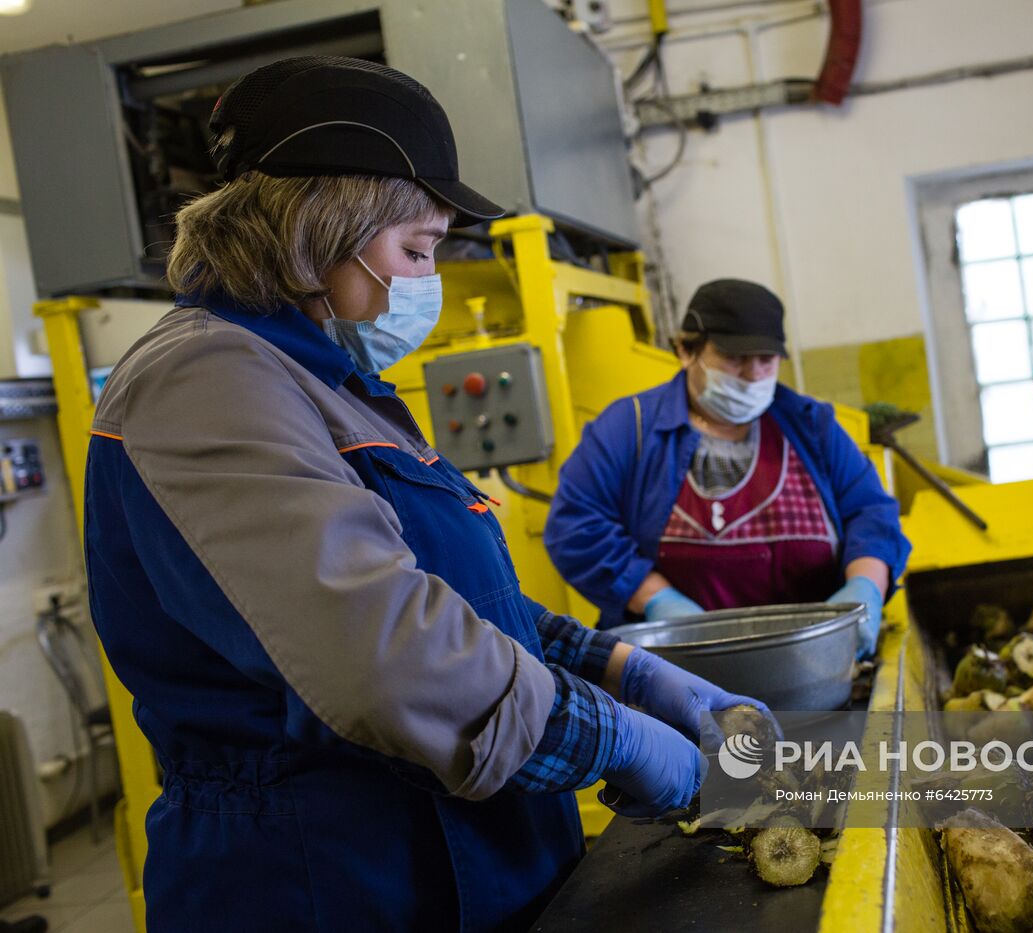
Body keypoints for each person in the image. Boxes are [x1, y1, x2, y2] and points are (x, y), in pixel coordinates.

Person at [83, 57, 762, 933]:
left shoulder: (324, 377)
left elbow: (455, 602)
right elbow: (386, 654)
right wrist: (617, 739)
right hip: (327, 880)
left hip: (457, 856)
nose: (425, 283)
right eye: (415, 249)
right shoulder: (202, 381)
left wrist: (617, 665)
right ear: (316, 231)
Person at [545, 279, 910, 657]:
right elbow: (575, 527)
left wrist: (866, 586)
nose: (753, 375)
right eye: (735, 358)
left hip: (815, 662)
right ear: (686, 350)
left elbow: (870, 512)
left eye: (765, 360)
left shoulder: (810, 427)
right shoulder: (630, 428)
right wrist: (656, 599)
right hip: (676, 671)